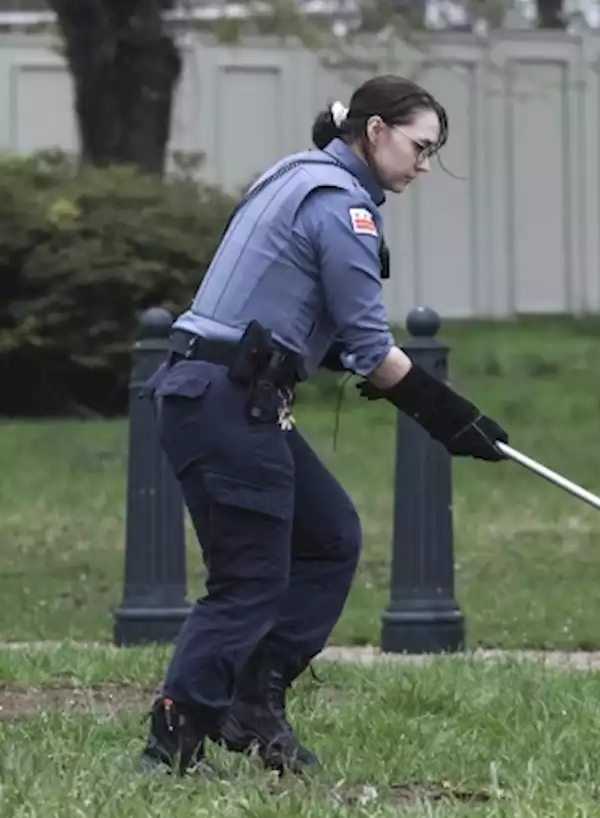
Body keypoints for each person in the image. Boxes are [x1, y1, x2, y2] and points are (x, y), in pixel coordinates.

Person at [138, 74, 510, 776]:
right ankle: (172, 740)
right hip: (224, 397)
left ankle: (255, 695)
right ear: (375, 132)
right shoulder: (343, 208)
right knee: (247, 582)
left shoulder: (294, 174)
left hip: (218, 391)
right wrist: (455, 421)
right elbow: (372, 351)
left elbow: (288, 301)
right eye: (419, 146)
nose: (424, 164)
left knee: (329, 537)